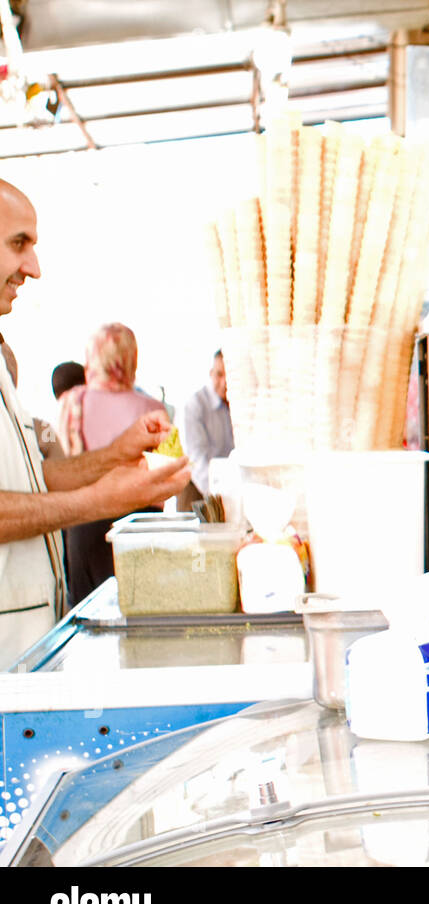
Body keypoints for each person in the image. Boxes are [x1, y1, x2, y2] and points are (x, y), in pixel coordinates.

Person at [0, 178, 191, 666]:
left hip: (29, 644)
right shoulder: (150, 402)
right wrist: (101, 498)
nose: (34, 268)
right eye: (18, 244)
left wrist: (113, 456)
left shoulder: (11, 363)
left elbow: (31, 480)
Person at [57, 323, 170, 605]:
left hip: (85, 520)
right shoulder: (152, 408)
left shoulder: (72, 402)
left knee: (88, 617)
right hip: (142, 526)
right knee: (143, 611)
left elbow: (62, 465)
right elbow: (166, 475)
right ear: (132, 357)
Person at [179, 349, 233, 513]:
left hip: (230, 491)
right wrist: (223, 501)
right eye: (219, 375)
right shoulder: (195, 405)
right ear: (211, 373)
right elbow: (197, 461)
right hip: (198, 490)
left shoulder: (239, 404)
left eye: (229, 375)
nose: (224, 382)